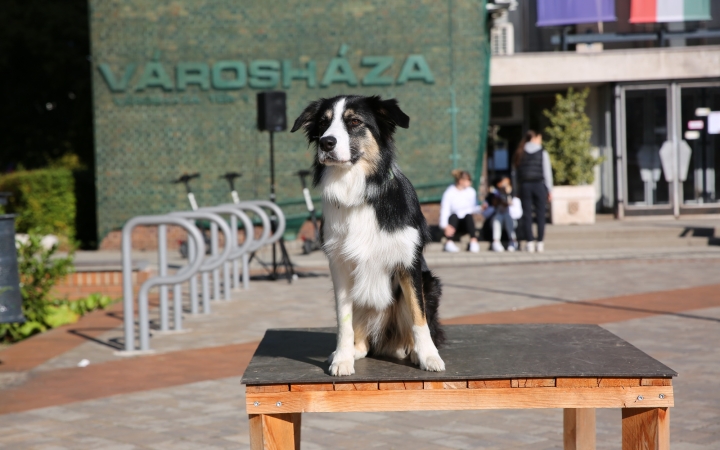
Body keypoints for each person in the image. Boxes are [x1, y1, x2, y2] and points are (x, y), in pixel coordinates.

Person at [513, 130, 553, 253]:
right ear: (535, 138)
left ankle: (529, 242)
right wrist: (550, 189)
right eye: (540, 138)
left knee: (527, 215)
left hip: (525, 186)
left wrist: (516, 190)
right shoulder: (542, 152)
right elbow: (547, 172)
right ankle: (540, 242)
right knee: (541, 215)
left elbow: (514, 174)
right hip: (539, 185)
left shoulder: (520, 152)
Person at [439, 169, 480, 253]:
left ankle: (473, 241)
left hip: (466, 224)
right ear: (461, 181)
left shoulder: (471, 192)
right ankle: (449, 242)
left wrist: (481, 208)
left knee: (468, 216)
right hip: (454, 224)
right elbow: (445, 211)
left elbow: (473, 208)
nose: (470, 182)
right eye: (468, 180)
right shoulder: (449, 193)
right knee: (454, 216)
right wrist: (445, 226)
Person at [483, 176, 520, 252]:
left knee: (507, 216)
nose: (504, 186)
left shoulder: (514, 196)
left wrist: (509, 204)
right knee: (498, 217)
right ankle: (496, 242)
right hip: (495, 222)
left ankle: (513, 241)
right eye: (502, 184)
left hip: (511, 222)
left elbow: (518, 214)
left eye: (507, 184)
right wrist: (495, 204)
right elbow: (485, 213)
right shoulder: (493, 195)